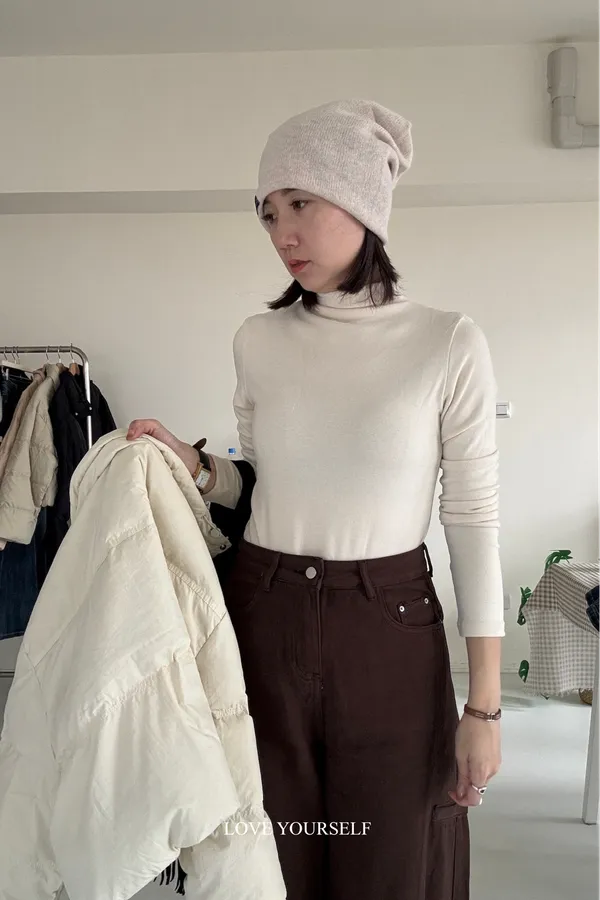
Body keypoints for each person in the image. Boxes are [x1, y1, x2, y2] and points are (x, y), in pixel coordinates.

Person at [128, 99, 504, 900]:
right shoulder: (259, 340)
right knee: (269, 854)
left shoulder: (446, 341)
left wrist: (485, 707)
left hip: (387, 622)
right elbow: (265, 479)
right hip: (263, 609)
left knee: (389, 856)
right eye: (268, 213)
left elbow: (472, 520)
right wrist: (197, 467)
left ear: (362, 200)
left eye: (301, 203)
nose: (282, 233)